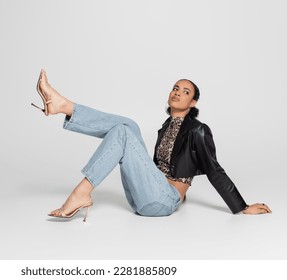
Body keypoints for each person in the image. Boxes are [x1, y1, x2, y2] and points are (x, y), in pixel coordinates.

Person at [32, 69, 272, 222]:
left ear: (193, 101)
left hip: (162, 202)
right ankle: (64, 107)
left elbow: (214, 169)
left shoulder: (198, 130)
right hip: (146, 195)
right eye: (175, 88)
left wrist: (242, 207)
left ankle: (80, 192)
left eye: (185, 91)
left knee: (125, 131)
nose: (178, 92)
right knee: (128, 126)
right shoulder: (166, 126)